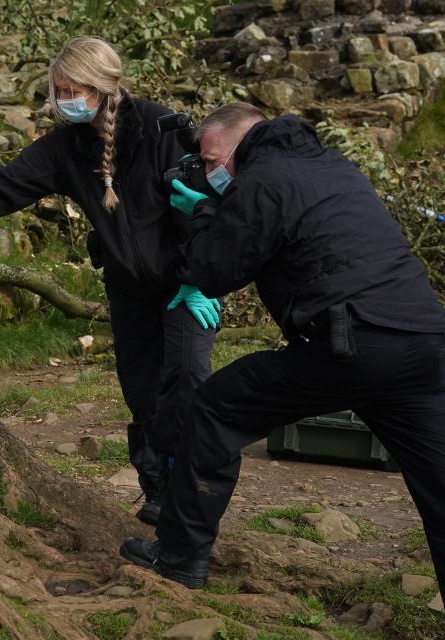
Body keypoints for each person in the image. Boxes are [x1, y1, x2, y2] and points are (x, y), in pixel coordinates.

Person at [119, 102, 445, 594]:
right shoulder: (332, 165)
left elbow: (214, 271)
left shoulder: (261, 178)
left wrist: (204, 213)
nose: (208, 173)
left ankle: (179, 558)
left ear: (240, 142)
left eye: (210, 162)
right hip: (425, 343)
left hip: (349, 342)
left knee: (214, 408)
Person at [0, 36, 220, 525]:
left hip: (185, 285)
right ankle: (156, 490)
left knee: (186, 383)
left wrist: (201, 277)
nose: (64, 98)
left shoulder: (162, 129)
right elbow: (4, 185)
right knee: (141, 390)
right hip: (128, 288)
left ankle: (192, 495)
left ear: (102, 87)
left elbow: (202, 207)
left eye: (74, 89)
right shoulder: (66, 148)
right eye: (59, 89)